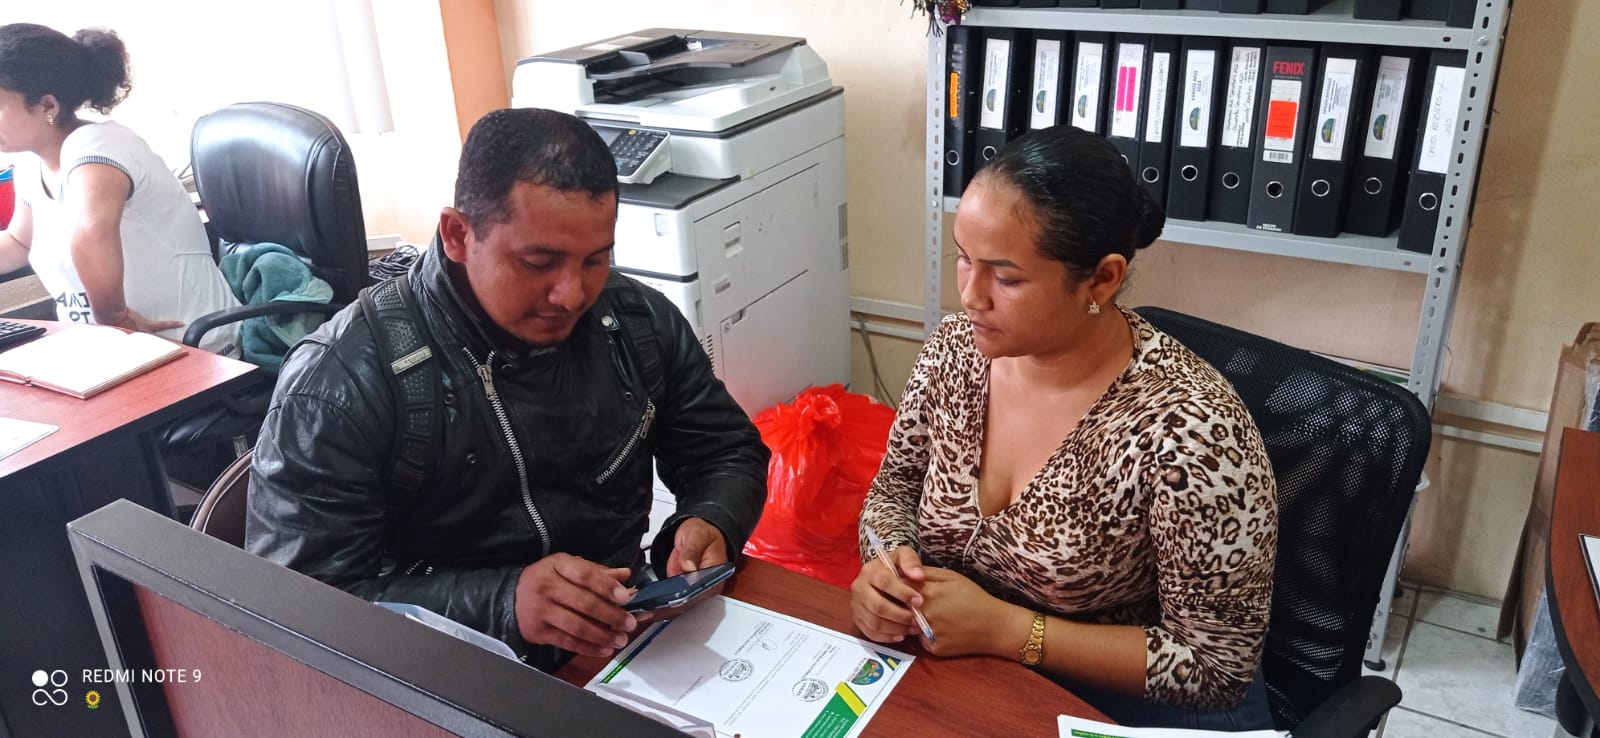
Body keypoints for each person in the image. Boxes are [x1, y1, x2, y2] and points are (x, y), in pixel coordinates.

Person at [246, 107, 769, 670]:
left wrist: (709, 519)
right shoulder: (340, 385)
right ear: (457, 234)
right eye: (538, 262)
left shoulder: (633, 321)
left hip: (619, 645)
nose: (572, 294)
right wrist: (502, 604)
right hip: (441, 671)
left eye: (595, 259)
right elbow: (298, 610)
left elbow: (726, 450)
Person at [850, 125, 1278, 730]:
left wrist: (1009, 631)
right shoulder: (953, 352)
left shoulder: (1191, 430)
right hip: (972, 680)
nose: (970, 296)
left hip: (1113, 706)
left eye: (1006, 278)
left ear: (1101, 279)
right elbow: (893, 491)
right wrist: (887, 571)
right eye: (964, 258)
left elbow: (1216, 668)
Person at [0, 24, 239, 353]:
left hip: (193, 350)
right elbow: (17, 243)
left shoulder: (100, 148)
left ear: (48, 106)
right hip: (115, 353)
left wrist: (115, 319)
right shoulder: (32, 165)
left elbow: (92, 232)